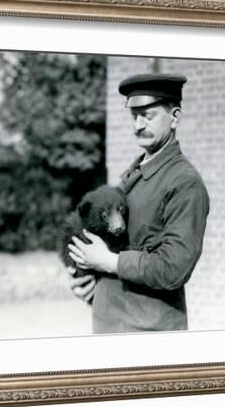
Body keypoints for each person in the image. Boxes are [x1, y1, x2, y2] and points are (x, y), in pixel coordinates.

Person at [67, 73, 209, 333]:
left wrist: (107, 262)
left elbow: (173, 268)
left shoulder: (184, 183)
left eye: (149, 115)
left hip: (149, 334)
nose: (138, 125)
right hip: (109, 327)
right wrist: (89, 282)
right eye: (134, 116)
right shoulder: (131, 177)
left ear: (175, 117)